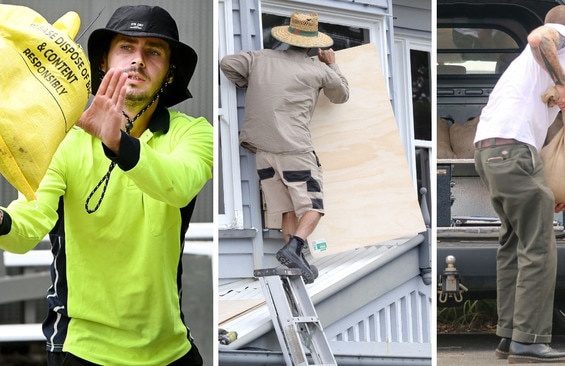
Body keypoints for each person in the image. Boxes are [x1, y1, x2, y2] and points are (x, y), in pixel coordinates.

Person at [0, 5, 212, 365]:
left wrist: (118, 143)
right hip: (81, 349)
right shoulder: (64, 139)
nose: (138, 61)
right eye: (126, 47)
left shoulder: (193, 132)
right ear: (103, 62)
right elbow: (25, 231)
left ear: (171, 73)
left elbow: (179, 185)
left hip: (170, 350)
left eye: (154, 51)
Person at [472, 5, 565, 364]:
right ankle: (529, 340)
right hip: (512, 150)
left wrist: (549, 185)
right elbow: (538, 36)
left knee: (514, 243)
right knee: (539, 246)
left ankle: (508, 336)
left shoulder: (525, 70)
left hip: (489, 150)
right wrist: (563, 84)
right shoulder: (561, 37)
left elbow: (534, 137)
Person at [220, 11, 349, 283]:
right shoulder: (318, 70)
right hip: (295, 151)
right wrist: (333, 64)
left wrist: (251, 84)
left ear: (287, 37)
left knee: (288, 209)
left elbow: (227, 63)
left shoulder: (259, 58)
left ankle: (296, 262)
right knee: (314, 206)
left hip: (263, 153)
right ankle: (295, 248)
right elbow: (341, 95)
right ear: (313, 44)